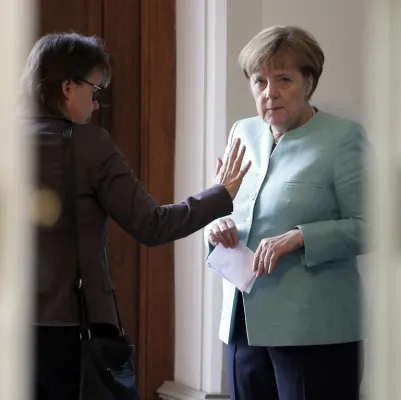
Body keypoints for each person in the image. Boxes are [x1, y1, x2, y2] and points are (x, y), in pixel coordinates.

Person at [22, 32, 251, 400]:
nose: (96, 105)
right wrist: (220, 195)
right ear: (67, 87)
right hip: (73, 332)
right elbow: (152, 224)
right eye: (95, 92)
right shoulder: (90, 144)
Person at [206, 25, 371, 400]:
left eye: (284, 79)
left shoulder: (344, 138)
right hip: (242, 328)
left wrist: (299, 237)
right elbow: (228, 211)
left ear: (308, 82)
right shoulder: (242, 133)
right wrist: (216, 226)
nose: (270, 92)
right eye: (259, 81)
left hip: (314, 331)